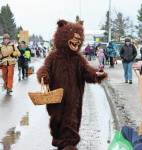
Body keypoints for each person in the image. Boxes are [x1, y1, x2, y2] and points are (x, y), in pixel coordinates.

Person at [37, 19, 107, 150]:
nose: (77, 41)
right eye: (72, 36)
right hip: (55, 98)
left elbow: (87, 72)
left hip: (73, 100)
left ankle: (69, 144)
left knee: (70, 123)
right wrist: (43, 77)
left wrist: (97, 74)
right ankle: (60, 141)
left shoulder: (78, 59)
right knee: (56, 122)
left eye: (79, 39)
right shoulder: (53, 57)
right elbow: (44, 69)